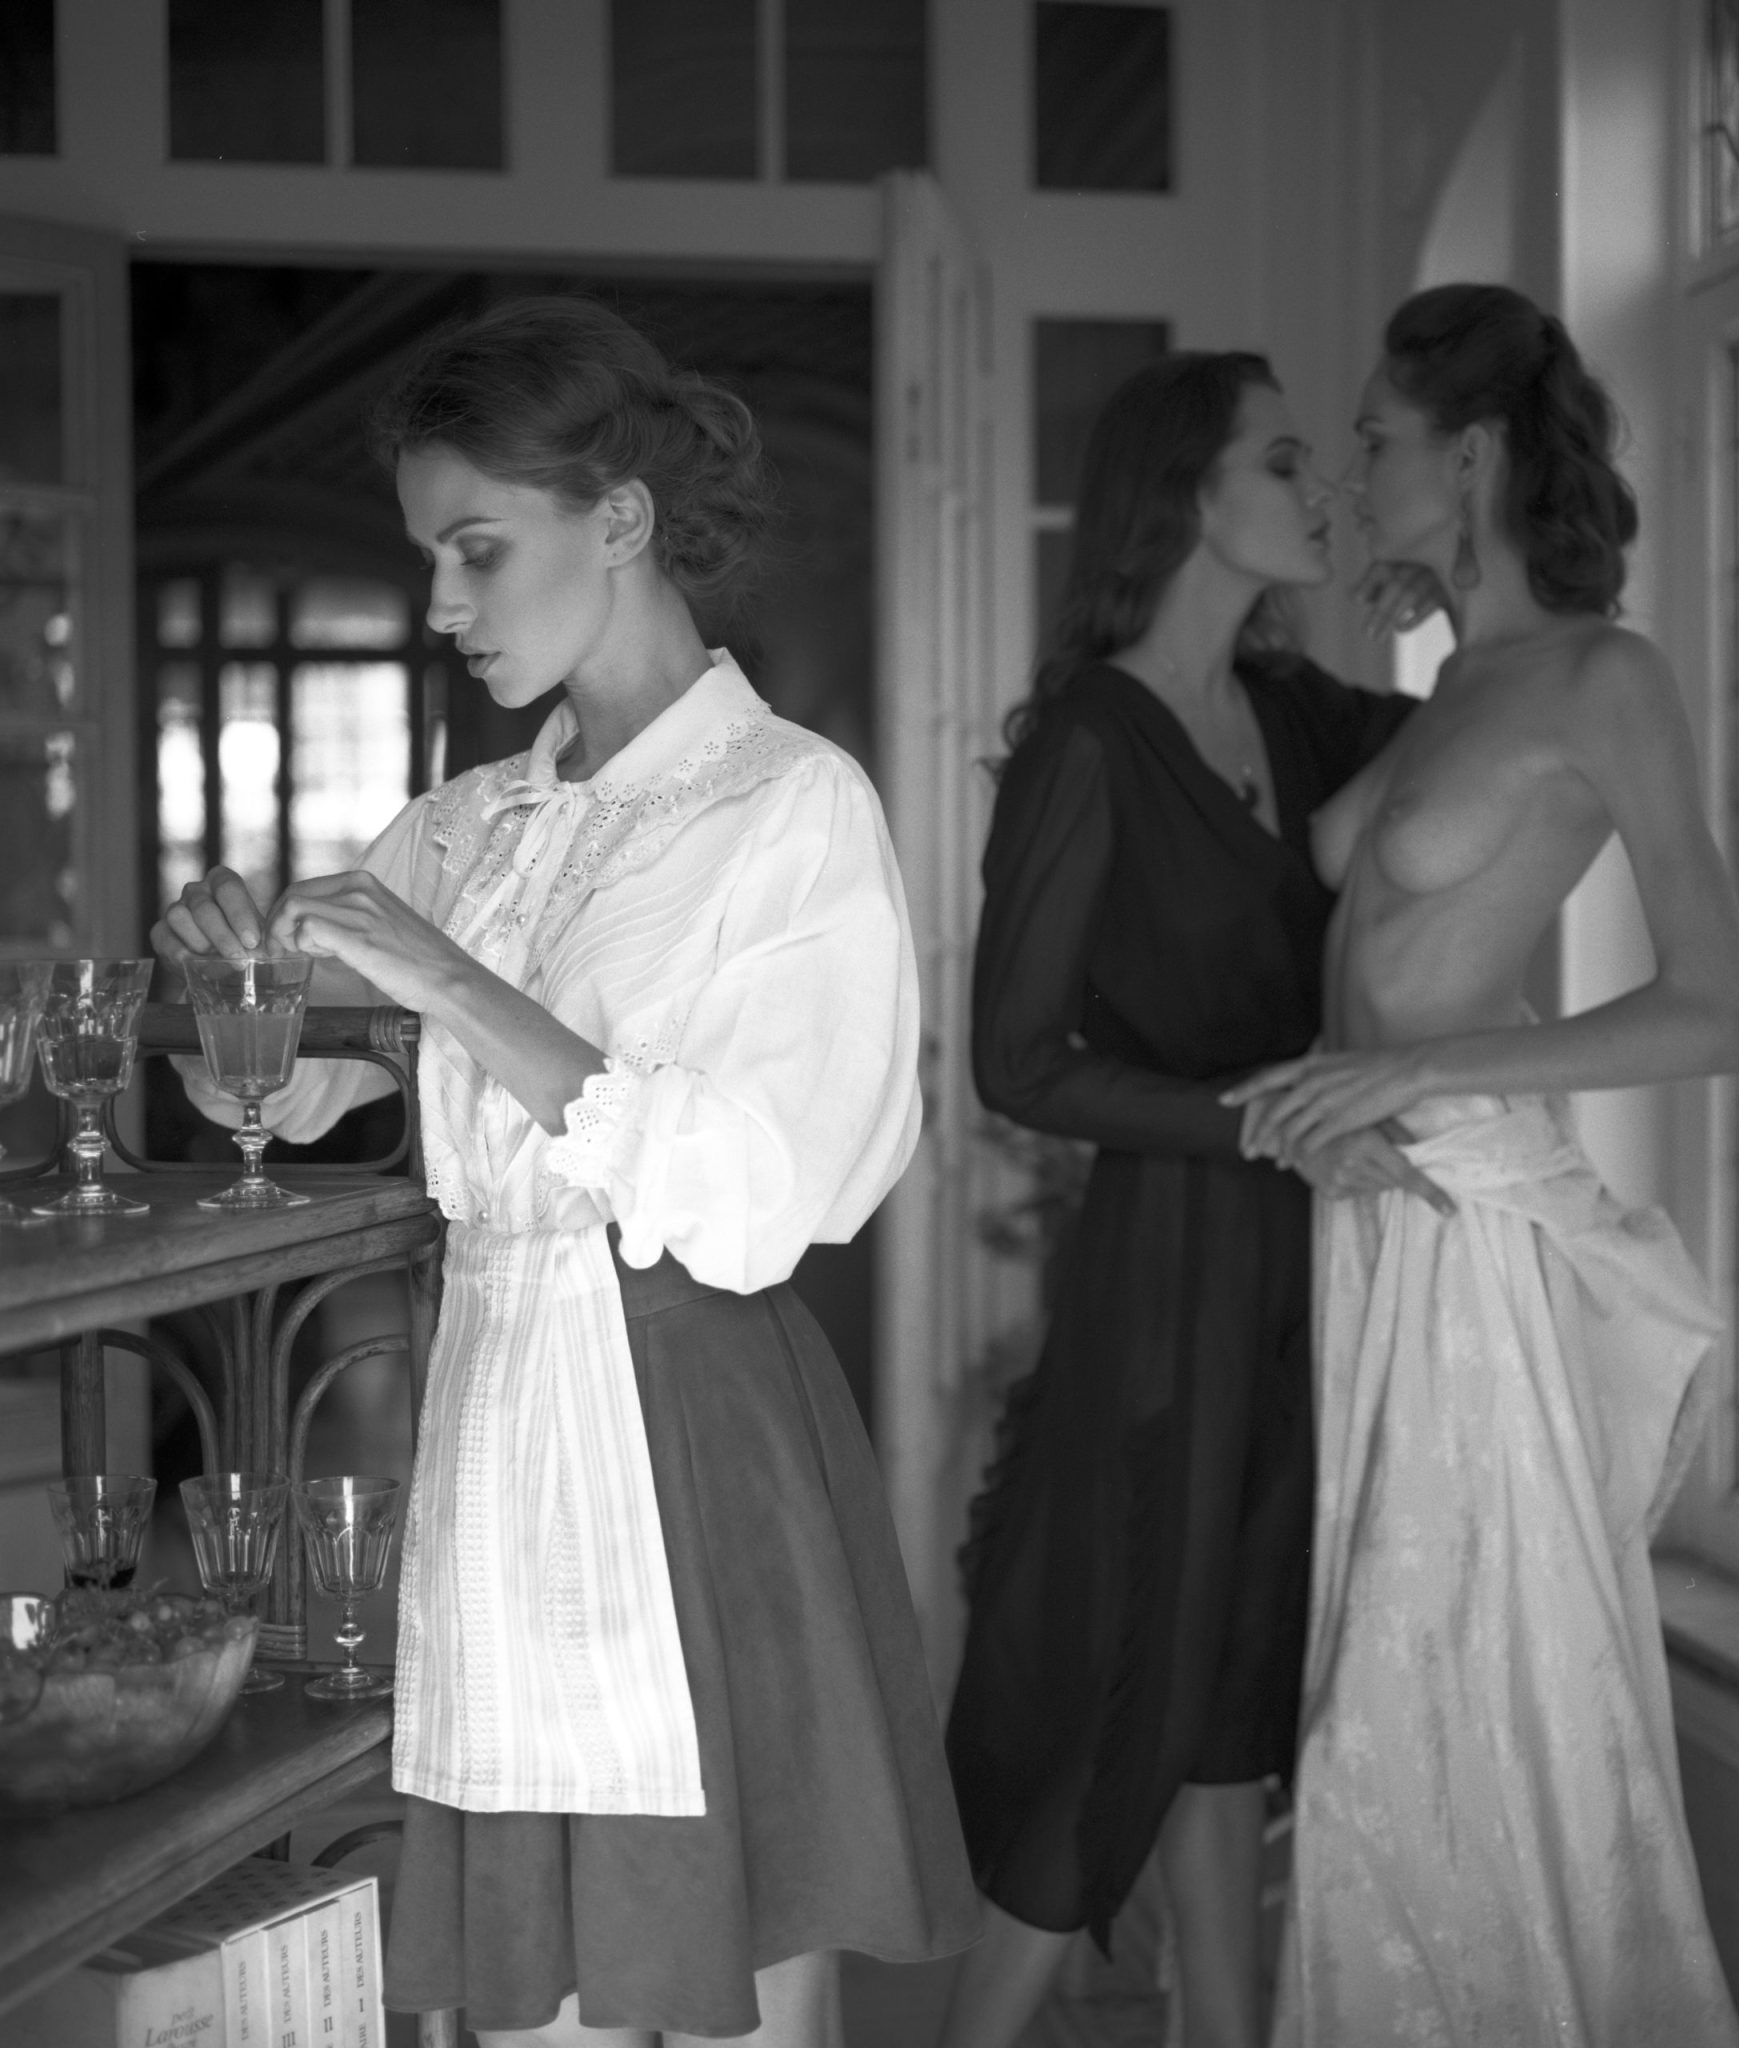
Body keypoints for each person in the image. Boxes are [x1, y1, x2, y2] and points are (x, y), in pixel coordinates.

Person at [153, 297, 978, 2048]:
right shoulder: (465, 827)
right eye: (428, 560)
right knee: (537, 1997)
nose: (443, 605)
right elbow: (288, 1092)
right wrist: (233, 984)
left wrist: (450, 980)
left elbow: (767, 1194)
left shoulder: (791, 806)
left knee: (739, 1962)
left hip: (691, 1414)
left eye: (477, 550)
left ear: (622, 519)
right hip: (493, 1406)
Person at [1223, 283, 1739, 2046]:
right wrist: (1420, 617)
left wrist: (1421, 1066)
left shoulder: (1610, 677)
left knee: (1451, 1700)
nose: (1350, 466)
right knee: (1382, 1696)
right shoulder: (1455, 678)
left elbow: (1715, 1011)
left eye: (1375, 437)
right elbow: (1364, 895)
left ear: (1471, 456)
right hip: (1369, 1219)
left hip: (1469, 1221)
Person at [937, 351, 1442, 2048]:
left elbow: (1501, 736)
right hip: (1164, 1280)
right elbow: (1018, 1063)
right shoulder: (1088, 743)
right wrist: (1265, 1124)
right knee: (1116, 1696)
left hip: (1318, 1268)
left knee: (1232, 1708)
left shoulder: (1305, 715)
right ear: (1187, 494)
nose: (1322, 490)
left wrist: (1454, 589)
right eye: (1285, 460)